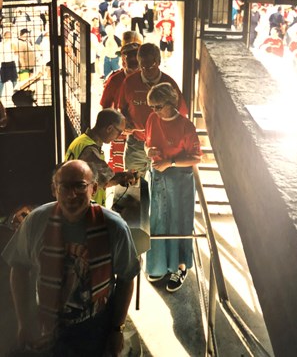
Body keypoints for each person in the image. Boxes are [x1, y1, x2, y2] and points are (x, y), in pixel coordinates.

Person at [2, 160, 140, 356]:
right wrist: (24, 322)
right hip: (45, 323)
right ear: (54, 189)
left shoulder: (115, 227)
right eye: (64, 186)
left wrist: (116, 329)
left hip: (96, 328)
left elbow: (126, 278)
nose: (71, 194)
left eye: (80, 186)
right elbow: (19, 268)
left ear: (93, 189)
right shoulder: (35, 221)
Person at [144, 83, 201, 292]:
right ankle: (157, 264)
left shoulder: (186, 126)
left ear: (171, 103)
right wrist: (149, 151)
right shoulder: (152, 119)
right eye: (152, 107)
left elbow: (195, 157)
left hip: (180, 181)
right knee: (158, 220)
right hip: (159, 178)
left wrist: (171, 163)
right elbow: (147, 143)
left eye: (158, 107)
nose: (154, 111)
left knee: (179, 221)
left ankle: (180, 266)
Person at [119, 42, 188, 176]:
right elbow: (121, 108)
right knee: (133, 185)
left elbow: (181, 114)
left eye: (151, 66)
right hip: (136, 144)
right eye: (143, 66)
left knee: (160, 186)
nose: (147, 70)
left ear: (158, 62)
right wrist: (124, 123)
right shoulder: (129, 82)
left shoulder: (169, 84)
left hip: (162, 146)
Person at [65, 108, 136, 205]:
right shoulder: (90, 149)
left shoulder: (81, 141)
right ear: (109, 128)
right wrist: (124, 176)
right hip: (84, 208)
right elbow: (107, 180)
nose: (119, 136)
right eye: (119, 132)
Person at [100, 31, 143, 172]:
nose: (131, 60)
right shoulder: (114, 79)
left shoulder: (149, 79)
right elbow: (105, 108)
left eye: (135, 55)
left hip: (145, 134)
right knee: (121, 172)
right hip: (120, 133)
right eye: (127, 55)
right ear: (122, 58)